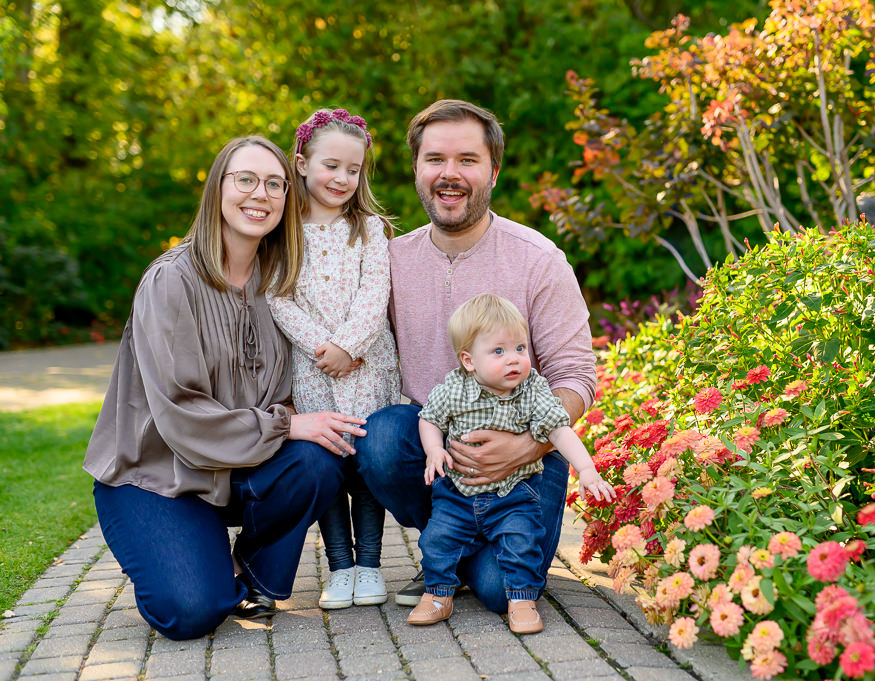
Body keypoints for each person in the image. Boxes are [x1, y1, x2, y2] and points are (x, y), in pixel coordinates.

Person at [83, 136, 367, 641]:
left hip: (238, 470)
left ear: (288, 198)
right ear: (218, 188)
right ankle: (196, 564)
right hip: (157, 476)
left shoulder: (280, 282)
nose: (260, 194)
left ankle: (249, 576)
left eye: (275, 184)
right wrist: (286, 422)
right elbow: (182, 416)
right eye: (246, 179)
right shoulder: (171, 281)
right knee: (191, 612)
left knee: (321, 457)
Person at [355, 99, 597, 615]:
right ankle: (446, 541)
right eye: (435, 159)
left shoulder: (538, 260)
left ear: (494, 170)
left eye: (468, 159)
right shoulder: (391, 262)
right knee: (379, 438)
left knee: (496, 591)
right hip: (439, 450)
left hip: (531, 459)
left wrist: (526, 445)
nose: (450, 174)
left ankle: (461, 558)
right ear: (417, 168)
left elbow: (576, 375)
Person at [408, 294, 614, 632]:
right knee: (438, 540)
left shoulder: (533, 389)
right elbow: (429, 419)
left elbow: (560, 431)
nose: (514, 359)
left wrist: (587, 469)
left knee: (521, 542)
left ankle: (521, 600)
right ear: (469, 361)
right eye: (499, 352)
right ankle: (437, 594)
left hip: (514, 494)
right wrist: (433, 449)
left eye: (520, 348)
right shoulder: (454, 388)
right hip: (458, 493)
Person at [269, 108, 399, 610]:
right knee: (328, 462)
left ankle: (369, 564)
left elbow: (375, 291)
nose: (343, 178)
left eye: (353, 169)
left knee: (366, 464)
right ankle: (339, 566)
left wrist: (350, 346)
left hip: (368, 364)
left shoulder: (367, 228)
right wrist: (323, 347)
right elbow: (278, 298)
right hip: (312, 368)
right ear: (301, 163)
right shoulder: (284, 231)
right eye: (331, 166)